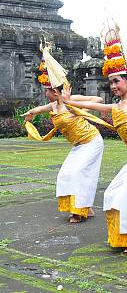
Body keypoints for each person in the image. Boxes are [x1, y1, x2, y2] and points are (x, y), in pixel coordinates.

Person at [63, 19, 127, 253]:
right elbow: (87, 104)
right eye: (111, 82)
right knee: (113, 193)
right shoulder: (115, 107)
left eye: (117, 81)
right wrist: (65, 99)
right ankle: (123, 236)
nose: (113, 85)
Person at [22, 42, 106, 224]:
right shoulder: (53, 104)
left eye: (46, 90)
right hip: (78, 145)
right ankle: (84, 207)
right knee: (66, 174)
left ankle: (81, 210)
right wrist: (31, 113)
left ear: (54, 91)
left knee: (79, 172)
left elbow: (97, 99)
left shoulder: (71, 100)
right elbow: (41, 108)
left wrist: (74, 106)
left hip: (91, 141)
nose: (45, 93)